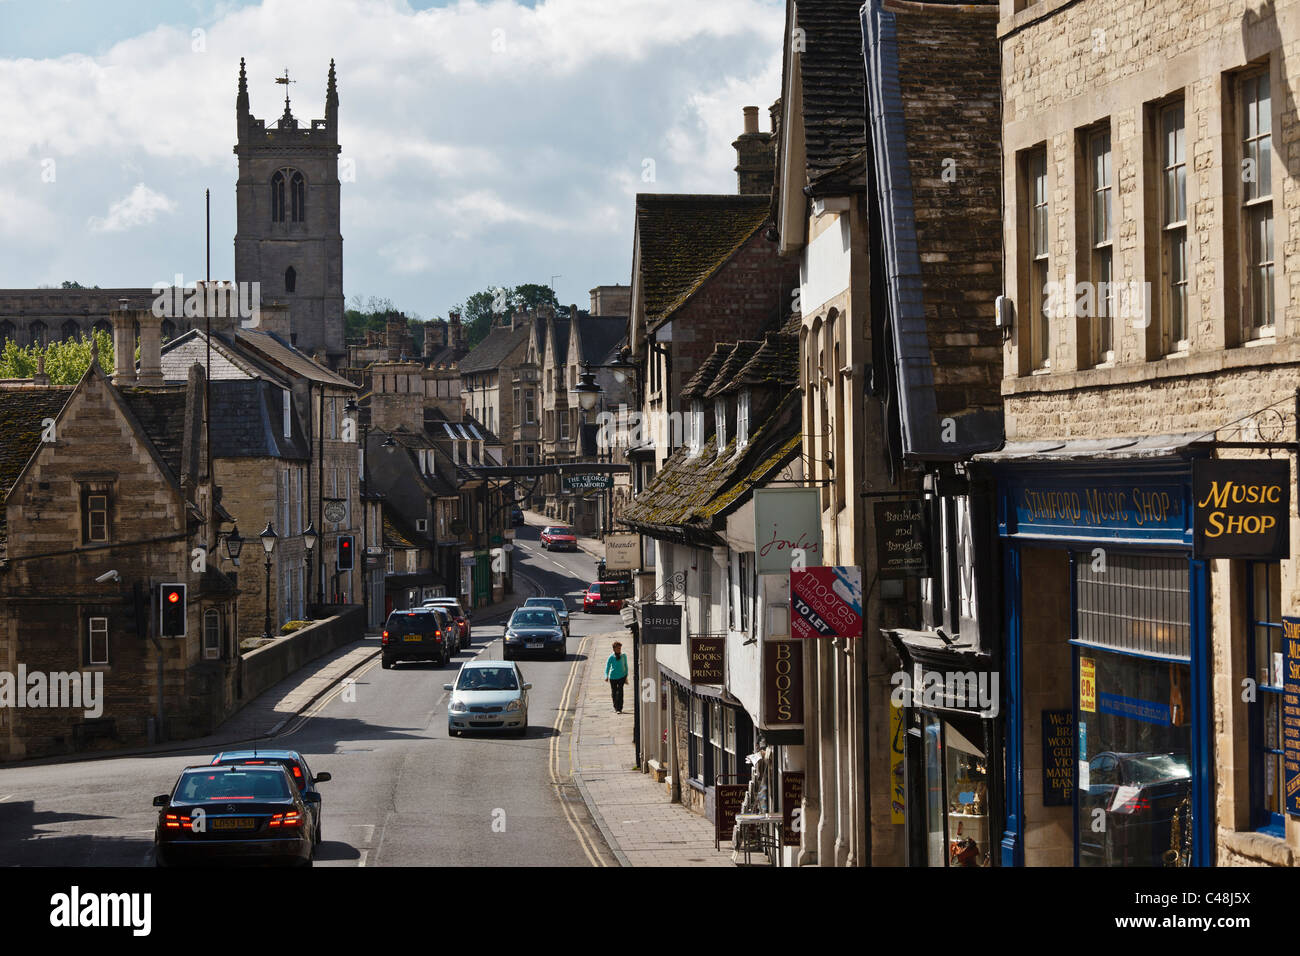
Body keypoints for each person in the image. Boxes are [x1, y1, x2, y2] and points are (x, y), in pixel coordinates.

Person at [604, 641, 628, 713]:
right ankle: (615, 707)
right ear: (614, 649)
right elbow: (607, 667)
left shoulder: (624, 656)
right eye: (618, 648)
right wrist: (606, 676)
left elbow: (626, 666)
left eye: (620, 648)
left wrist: (626, 676)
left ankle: (619, 708)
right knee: (614, 692)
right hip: (613, 677)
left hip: (622, 676)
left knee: (620, 692)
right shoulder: (611, 657)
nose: (619, 649)